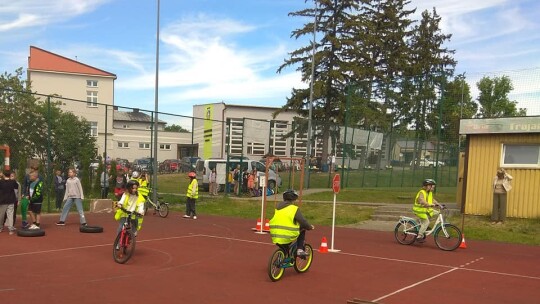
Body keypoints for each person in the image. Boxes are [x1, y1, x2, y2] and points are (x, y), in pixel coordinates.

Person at [269, 189, 314, 256]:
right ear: (294, 198)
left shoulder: (277, 207)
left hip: (275, 234)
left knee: (285, 247)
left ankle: (283, 257)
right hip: (287, 234)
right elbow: (302, 221)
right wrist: (309, 227)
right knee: (303, 229)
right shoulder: (294, 208)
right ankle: (300, 249)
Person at [412, 179, 440, 243]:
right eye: (431, 186)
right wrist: (429, 204)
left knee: (437, 213)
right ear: (427, 186)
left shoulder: (429, 193)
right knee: (426, 222)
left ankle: (423, 226)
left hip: (425, 209)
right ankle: (419, 236)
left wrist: (439, 204)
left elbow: (432, 200)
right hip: (419, 210)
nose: (433, 188)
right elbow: (422, 201)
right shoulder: (421, 192)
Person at [0, 170, 19, 235]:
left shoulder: (1, 182)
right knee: (10, 215)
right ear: (9, 175)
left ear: (4, 175)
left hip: (3, 201)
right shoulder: (13, 182)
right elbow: (16, 188)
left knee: (1, 215)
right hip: (11, 200)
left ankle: (0, 227)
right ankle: (11, 229)